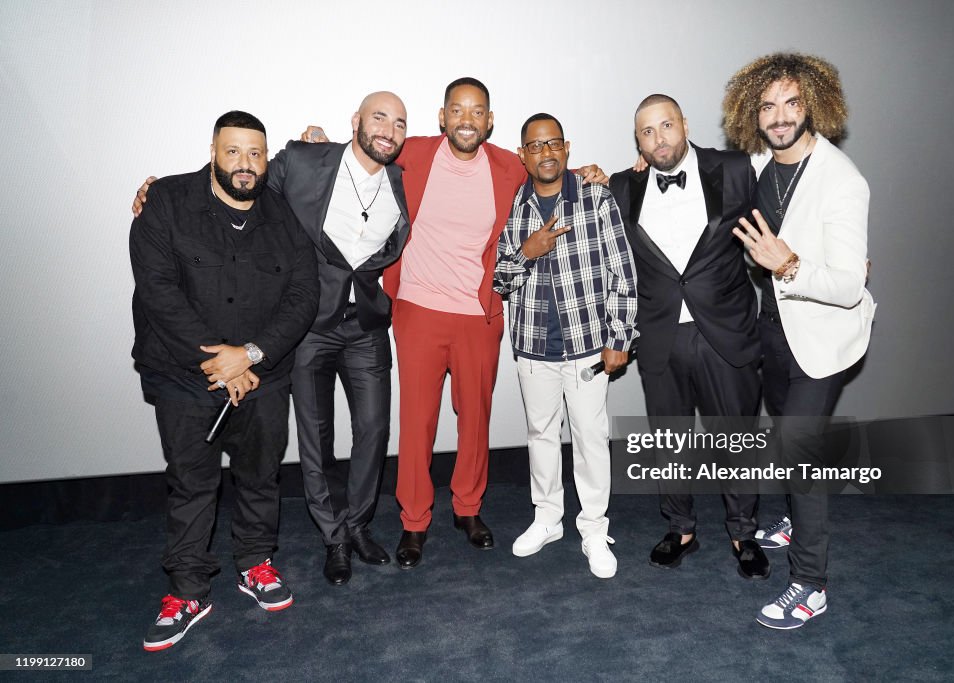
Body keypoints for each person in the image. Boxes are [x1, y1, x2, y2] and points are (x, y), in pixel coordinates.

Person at [304, 77, 606, 569]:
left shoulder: (510, 167)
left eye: (477, 111)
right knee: (417, 423)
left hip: (479, 313)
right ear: (442, 117)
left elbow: (550, 165)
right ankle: (414, 521)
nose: (467, 119)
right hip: (419, 310)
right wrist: (319, 145)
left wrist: (597, 172)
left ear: (489, 121)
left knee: (475, 419)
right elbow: (364, 152)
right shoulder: (414, 154)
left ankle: (468, 509)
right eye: (457, 110)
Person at [134, 93, 412, 587]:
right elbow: (235, 184)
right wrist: (155, 191)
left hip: (362, 325)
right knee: (313, 437)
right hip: (305, 330)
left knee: (373, 431)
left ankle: (357, 526)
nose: (388, 128)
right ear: (356, 121)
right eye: (378, 117)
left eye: (399, 122)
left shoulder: (402, 174)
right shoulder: (304, 160)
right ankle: (332, 537)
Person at [130, 111, 318, 651]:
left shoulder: (283, 217)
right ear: (213, 150)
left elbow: (303, 295)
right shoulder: (166, 202)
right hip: (183, 377)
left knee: (260, 477)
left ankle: (255, 563)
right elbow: (158, 289)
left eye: (255, 153)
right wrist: (218, 363)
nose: (245, 164)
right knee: (193, 484)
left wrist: (250, 357)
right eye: (234, 151)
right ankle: (188, 590)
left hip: (262, 375)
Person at [725, 52, 875, 629]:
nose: (780, 115)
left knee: (797, 445)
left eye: (791, 102)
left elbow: (845, 286)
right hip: (775, 330)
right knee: (788, 439)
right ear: (753, 114)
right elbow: (709, 165)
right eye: (767, 105)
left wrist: (788, 265)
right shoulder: (763, 159)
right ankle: (791, 521)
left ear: (814, 103)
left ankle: (811, 584)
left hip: (825, 335)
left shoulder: (843, 181)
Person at [608, 95, 770, 581]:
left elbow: (780, 223)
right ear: (637, 140)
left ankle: (743, 532)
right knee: (669, 441)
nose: (659, 139)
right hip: (660, 336)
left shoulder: (736, 169)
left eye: (666, 126)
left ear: (684, 125)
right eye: (647, 132)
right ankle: (680, 529)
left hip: (725, 332)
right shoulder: (622, 187)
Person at [494, 113, 638, 578]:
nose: (546, 152)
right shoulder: (515, 206)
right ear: (523, 155)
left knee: (591, 438)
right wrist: (526, 252)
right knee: (540, 437)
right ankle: (548, 518)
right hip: (534, 346)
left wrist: (621, 336)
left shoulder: (595, 197)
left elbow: (623, 272)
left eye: (553, 143)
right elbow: (500, 280)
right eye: (535, 146)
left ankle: (594, 528)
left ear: (567, 147)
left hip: (587, 346)